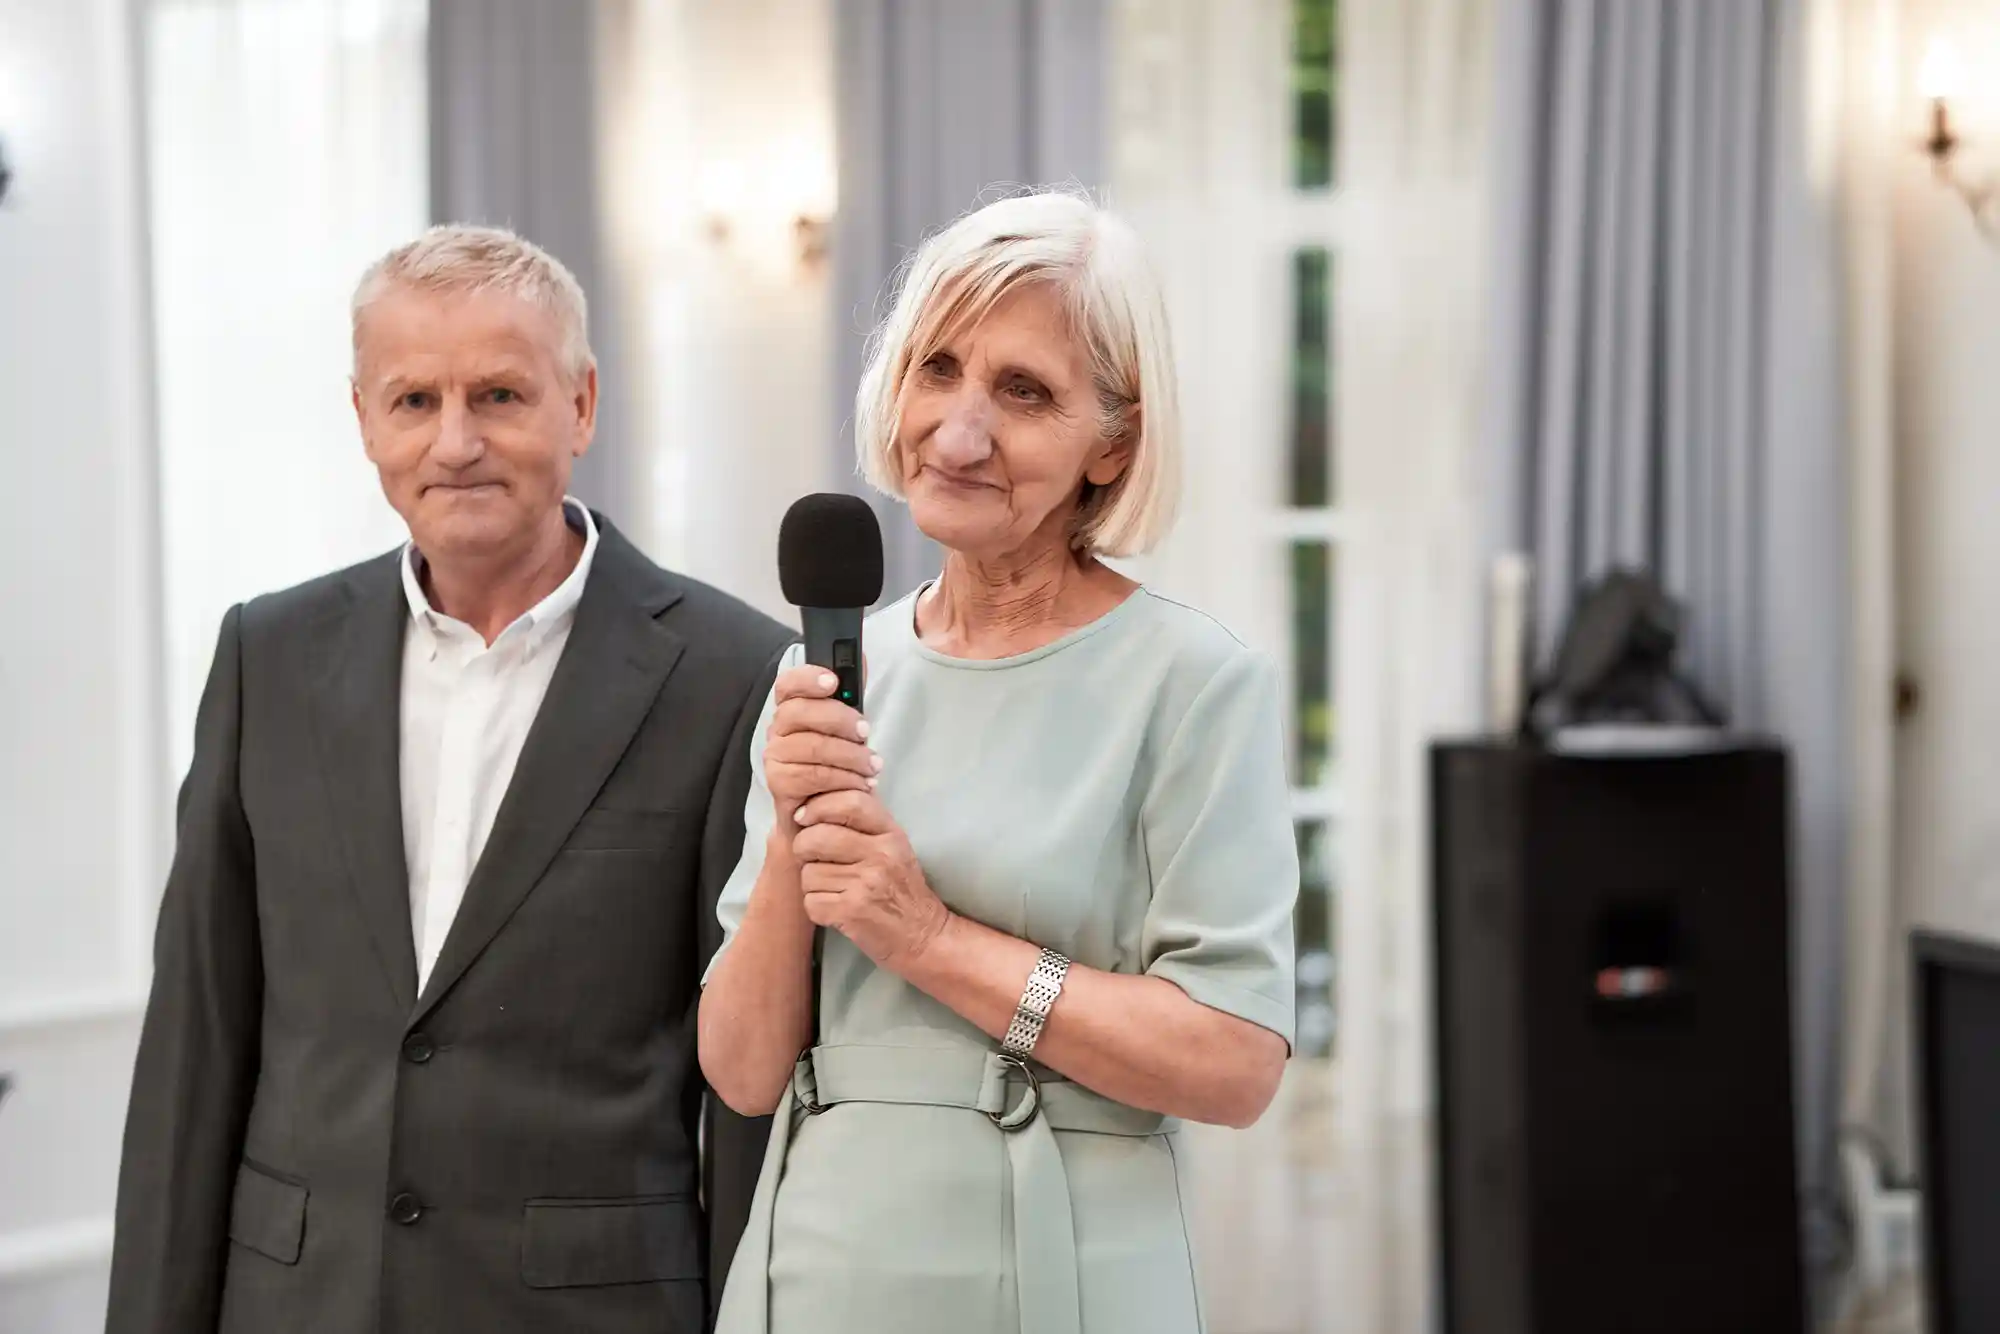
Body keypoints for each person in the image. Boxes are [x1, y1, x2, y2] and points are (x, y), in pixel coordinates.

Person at [107, 225, 792, 1334]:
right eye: (415, 400)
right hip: (295, 1304)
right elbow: (195, 1046)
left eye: (499, 396)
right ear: (364, 419)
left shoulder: (733, 673)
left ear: (581, 405)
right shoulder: (265, 657)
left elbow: (750, 1085)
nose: (456, 442)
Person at [699, 189, 1300, 1334]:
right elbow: (739, 1070)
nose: (958, 433)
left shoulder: (1193, 682)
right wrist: (791, 839)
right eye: (937, 369)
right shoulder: (823, 673)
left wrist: (926, 939)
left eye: (1022, 391)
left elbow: (1233, 1062)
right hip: (815, 1272)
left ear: (1111, 441)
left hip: (1062, 1271)